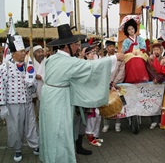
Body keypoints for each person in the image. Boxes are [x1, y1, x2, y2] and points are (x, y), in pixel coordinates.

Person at [39, 24, 124, 163]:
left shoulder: (52, 59)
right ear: (67, 46)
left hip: (49, 99)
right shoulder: (68, 61)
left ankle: (50, 156)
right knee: (60, 131)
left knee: (50, 130)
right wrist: (114, 58)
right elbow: (91, 67)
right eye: (75, 44)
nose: (78, 47)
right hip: (59, 100)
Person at [0, 34, 39, 162]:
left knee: (31, 124)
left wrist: (32, 84)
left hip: (27, 101)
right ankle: (17, 149)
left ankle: (35, 145)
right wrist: (2, 105)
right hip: (13, 103)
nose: (24, 53)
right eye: (21, 51)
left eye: (24, 51)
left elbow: (34, 85)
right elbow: (1, 86)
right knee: (15, 127)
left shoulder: (29, 66)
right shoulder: (4, 67)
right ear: (13, 53)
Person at [102, 38, 125, 133]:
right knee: (105, 105)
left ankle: (117, 124)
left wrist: (115, 83)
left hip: (117, 85)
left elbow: (121, 72)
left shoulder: (120, 59)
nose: (111, 48)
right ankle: (106, 124)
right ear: (106, 48)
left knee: (118, 105)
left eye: (113, 46)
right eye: (109, 47)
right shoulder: (103, 60)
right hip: (105, 86)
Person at [121, 18, 149, 83]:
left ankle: (142, 77)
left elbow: (143, 47)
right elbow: (125, 50)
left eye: (132, 29)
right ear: (127, 31)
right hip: (130, 54)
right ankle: (131, 78)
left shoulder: (140, 39)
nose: (131, 31)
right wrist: (131, 50)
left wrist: (139, 51)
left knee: (140, 59)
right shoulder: (126, 41)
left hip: (140, 52)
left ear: (135, 29)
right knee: (132, 58)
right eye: (129, 29)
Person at [147, 40, 165, 129]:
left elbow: (164, 72)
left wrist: (158, 78)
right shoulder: (149, 60)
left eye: (158, 49)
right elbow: (148, 70)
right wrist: (153, 79)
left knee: (161, 103)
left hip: (161, 83)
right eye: (154, 50)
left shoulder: (163, 59)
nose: (156, 51)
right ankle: (153, 121)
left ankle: (160, 120)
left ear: (161, 50)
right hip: (152, 83)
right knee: (152, 102)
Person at [32, 45, 46, 115]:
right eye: (38, 52)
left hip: (46, 90)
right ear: (34, 54)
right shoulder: (31, 63)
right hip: (36, 91)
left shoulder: (47, 61)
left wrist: (41, 77)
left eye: (42, 52)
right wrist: (33, 95)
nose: (41, 54)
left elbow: (51, 75)